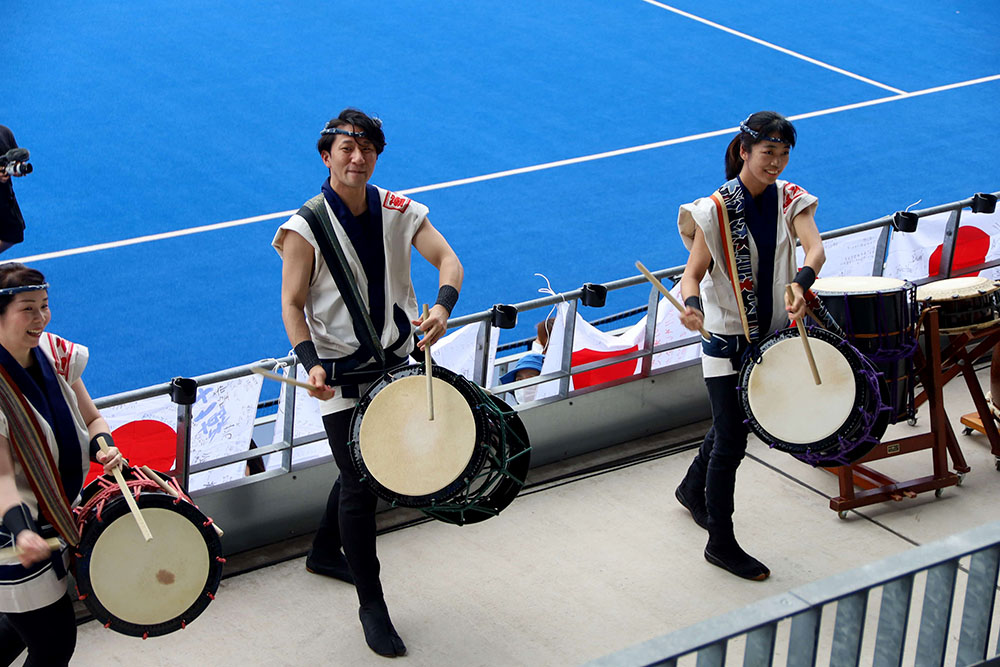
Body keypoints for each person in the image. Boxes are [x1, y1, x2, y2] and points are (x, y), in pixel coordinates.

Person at [273, 108, 463, 657]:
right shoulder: (305, 225)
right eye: (346, 148)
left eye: (368, 149)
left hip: (396, 366)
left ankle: (322, 551)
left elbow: (449, 261)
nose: (357, 158)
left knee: (365, 468)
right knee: (363, 482)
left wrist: (443, 308)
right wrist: (308, 360)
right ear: (325, 154)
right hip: (338, 376)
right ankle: (372, 605)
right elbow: (291, 303)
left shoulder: (398, 209)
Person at [674, 111, 825, 581]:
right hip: (723, 340)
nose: (775, 163)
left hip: (771, 334)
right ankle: (720, 542)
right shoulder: (716, 209)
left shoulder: (790, 198)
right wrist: (693, 307)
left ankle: (690, 490)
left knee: (730, 424)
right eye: (767, 154)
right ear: (744, 151)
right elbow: (691, 275)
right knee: (734, 439)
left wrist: (801, 283)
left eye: (782, 154)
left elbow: (815, 250)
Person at [0, 263, 124, 666]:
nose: (41, 319)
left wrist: (104, 447)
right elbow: (2, 478)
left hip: (54, 520)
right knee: (53, 643)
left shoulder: (54, 353)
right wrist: (21, 533)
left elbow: (92, 419)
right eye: (28, 309)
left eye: (45, 306)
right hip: (11, 530)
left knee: (18, 631)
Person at [0, 127, 27, 255]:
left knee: (14, 233)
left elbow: (13, 159)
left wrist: (16, 169)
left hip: (3, 197)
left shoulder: (5, 133)